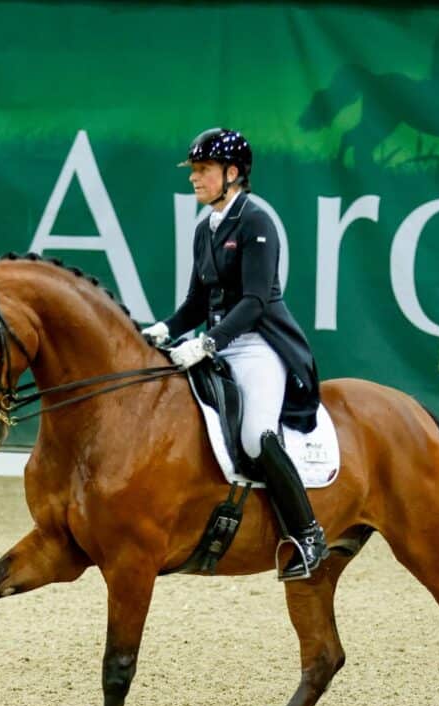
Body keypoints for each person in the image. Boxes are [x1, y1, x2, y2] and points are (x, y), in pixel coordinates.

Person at [139, 128, 329, 581]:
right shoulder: (205, 229)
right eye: (194, 172)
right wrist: (161, 330)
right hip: (222, 345)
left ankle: (307, 533)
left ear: (233, 173)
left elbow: (255, 301)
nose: (194, 179)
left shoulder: (256, 222)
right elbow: (195, 305)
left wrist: (205, 343)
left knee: (255, 435)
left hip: (260, 345)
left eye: (202, 171)